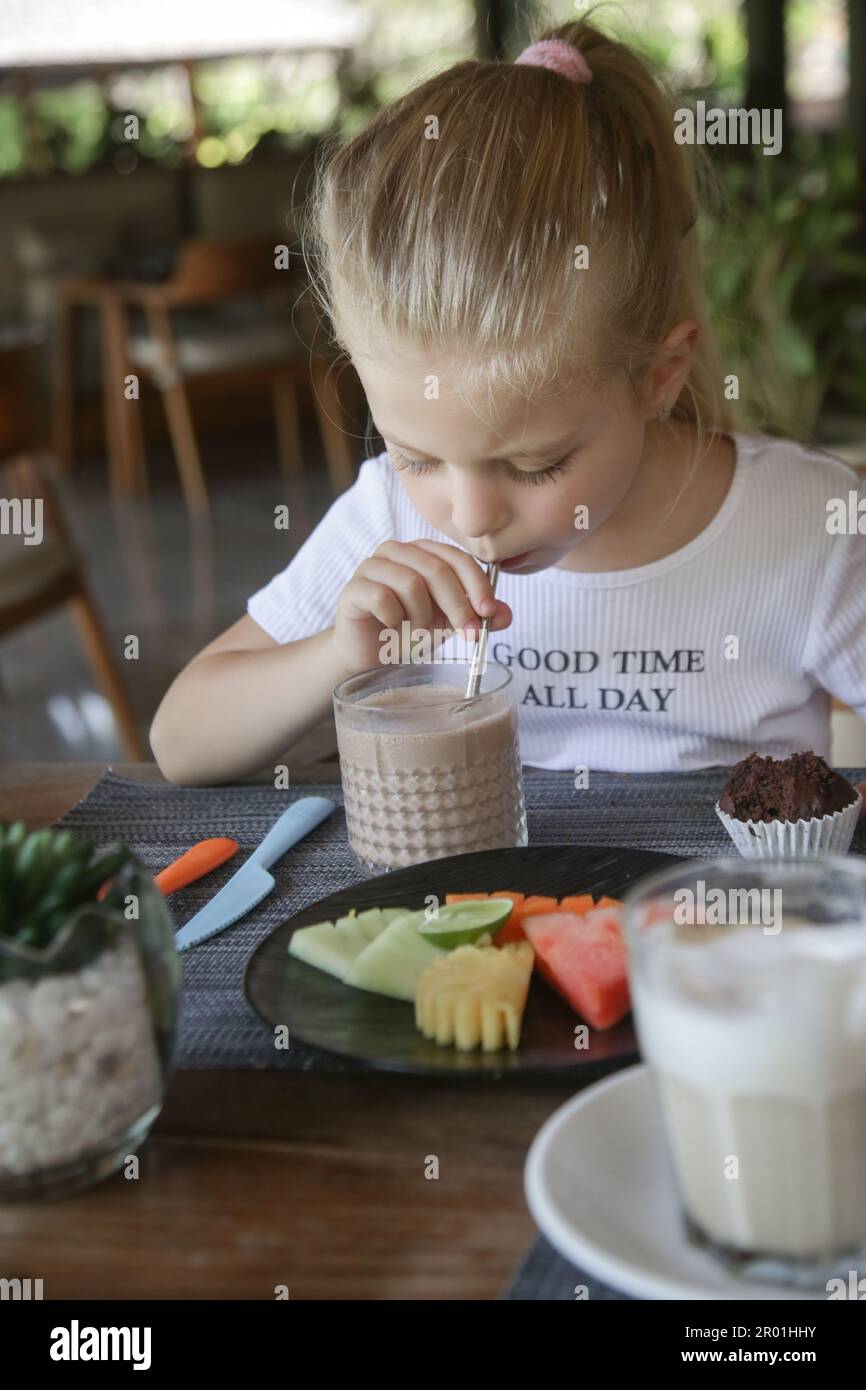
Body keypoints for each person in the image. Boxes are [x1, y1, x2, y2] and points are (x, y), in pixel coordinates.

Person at [150, 13, 866, 798]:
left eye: (535, 464)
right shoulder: (391, 517)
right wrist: (338, 655)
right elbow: (182, 742)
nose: (469, 515)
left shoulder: (809, 526)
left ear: (661, 374)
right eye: (416, 454)